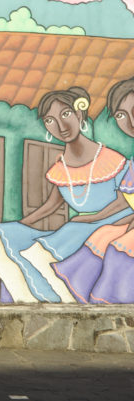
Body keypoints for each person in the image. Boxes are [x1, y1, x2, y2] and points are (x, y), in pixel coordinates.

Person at [0, 87, 129, 302]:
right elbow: (50, 206)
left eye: (65, 114)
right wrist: (19, 225)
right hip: (79, 226)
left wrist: (94, 219)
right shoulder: (61, 168)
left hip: (113, 222)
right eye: (50, 120)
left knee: (46, 250)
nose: (61, 126)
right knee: (10, 243)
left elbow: (128, 201)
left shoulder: (112, 159)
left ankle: (63, 295)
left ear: (80, 114)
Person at [52, 78, 134, 303]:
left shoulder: (111, 159)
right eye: (121, 115)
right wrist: (98, 219)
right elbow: (126, 199)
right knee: (100, 237)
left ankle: (110, 304)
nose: (131, 122)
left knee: (119, 250)